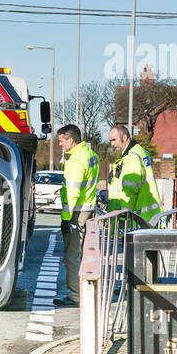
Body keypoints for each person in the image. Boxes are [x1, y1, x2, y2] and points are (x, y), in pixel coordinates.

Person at [53, 124, 99, 308]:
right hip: (87, 209)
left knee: (71, 256)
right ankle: (82, 292)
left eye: (62, 140)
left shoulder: (75, 161)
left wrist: (66, 219)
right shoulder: (90, 155)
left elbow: (73, 192)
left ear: (71, 140)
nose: (59, 144)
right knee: (81, 253)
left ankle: (76, 296)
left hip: (76, 214)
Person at [106, 124, 162, 225]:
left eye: (114, 140)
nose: (112, 144)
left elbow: (130, 188)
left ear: (124, 137)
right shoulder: (140, 151)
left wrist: (123, 215)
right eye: (111, 141)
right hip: (147, 215)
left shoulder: (131, 157)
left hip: (135, 219)